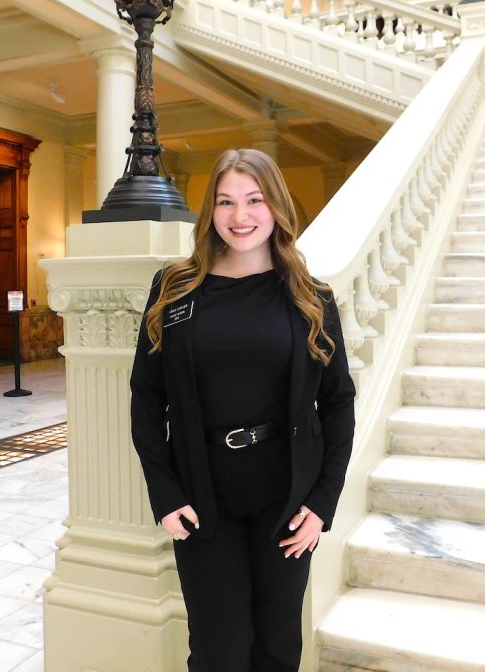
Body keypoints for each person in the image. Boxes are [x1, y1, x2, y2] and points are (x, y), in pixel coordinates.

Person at [129, 148, 356, 671]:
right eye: (226, 202)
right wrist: (164, 492)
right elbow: (147, 396)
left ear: (276, 206)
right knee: (218, 649)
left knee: (277, 646)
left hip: (287, 498)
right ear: (210, 210)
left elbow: (338, 403)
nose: (240, 216)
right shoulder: (175, 288)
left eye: (255, 200)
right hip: (203, 496)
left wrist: (322, 502)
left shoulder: (310, 297)